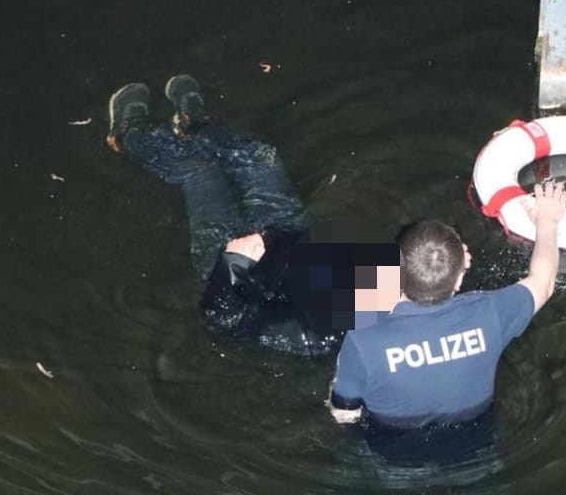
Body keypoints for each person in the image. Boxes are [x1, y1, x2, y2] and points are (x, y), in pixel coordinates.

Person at [107, 76, 400, 356]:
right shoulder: (403, 284)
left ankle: (128, 134)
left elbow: (222, 320)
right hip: (289, 234)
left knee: (201, 172)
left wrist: (232, 262)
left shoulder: (313, 336)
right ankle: (195, 126)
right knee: (260, 154)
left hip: (238, 270)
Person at [327, 181, 566, 430]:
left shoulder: (363, 338)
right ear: (461, 277)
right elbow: (544, 281)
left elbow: (344, 411)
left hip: (396, 461)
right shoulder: (489, 313)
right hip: (479, 448)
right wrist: (547, 221)